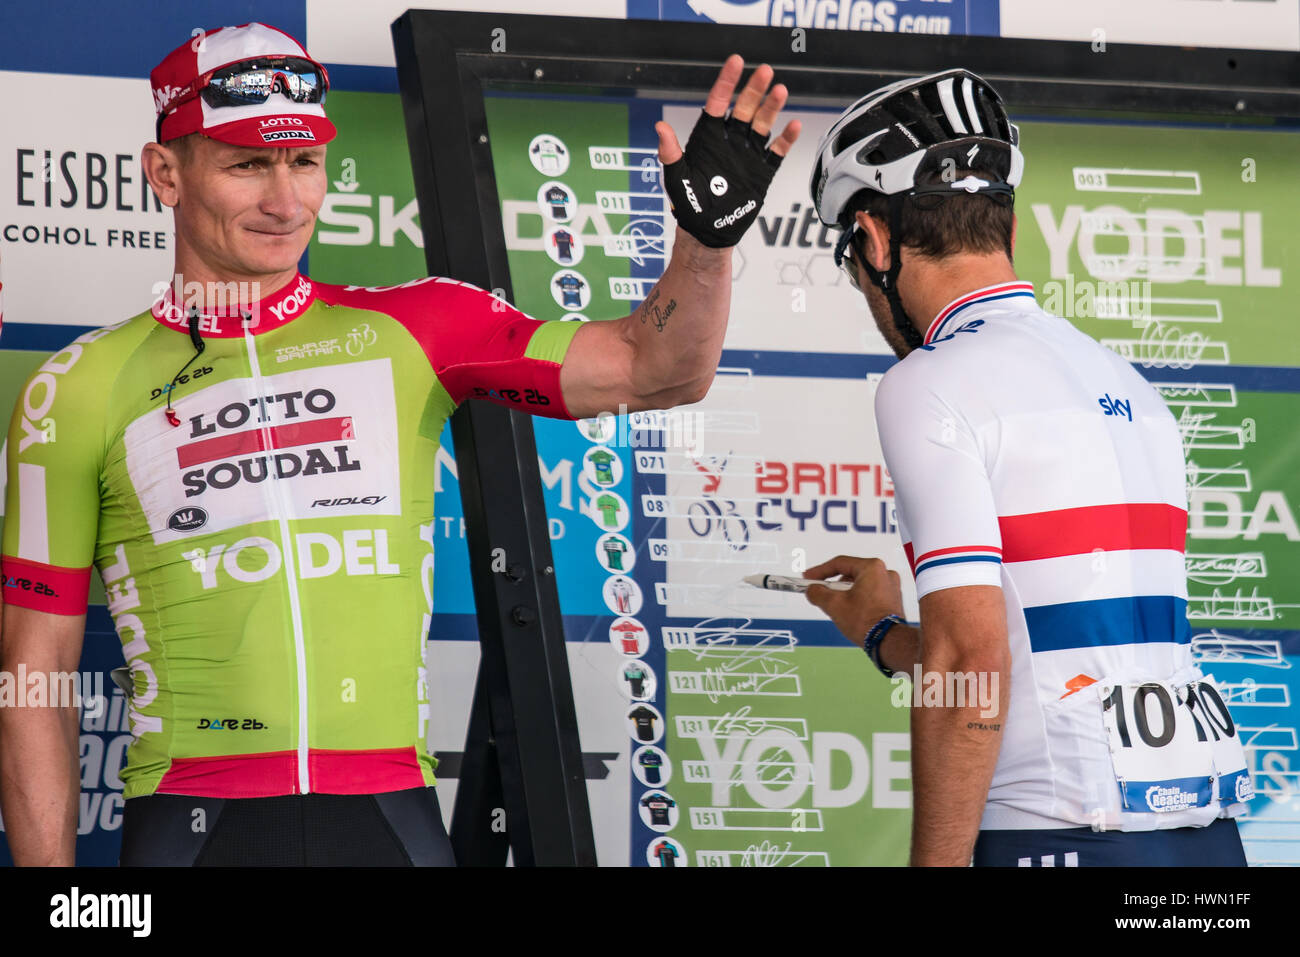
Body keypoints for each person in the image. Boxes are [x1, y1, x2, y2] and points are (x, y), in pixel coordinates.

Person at [0, 22, 799, 866]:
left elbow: (658, 370)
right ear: (166, 172)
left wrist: (705, 246)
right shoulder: (78, 387)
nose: (285, 200)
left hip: (389, 818)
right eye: (247, 165)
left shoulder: (415, 328)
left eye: (304, 162)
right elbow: (32, 671)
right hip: (194, 823)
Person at [801, 69, 1250, 866]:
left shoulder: (928, 382)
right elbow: (1038, 650)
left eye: (851, 261)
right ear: (1004, 229)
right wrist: (880, 631)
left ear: (874, 239)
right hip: (1204, 839)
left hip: (1054, 830)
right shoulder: (1128, 383)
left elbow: (971, 666)